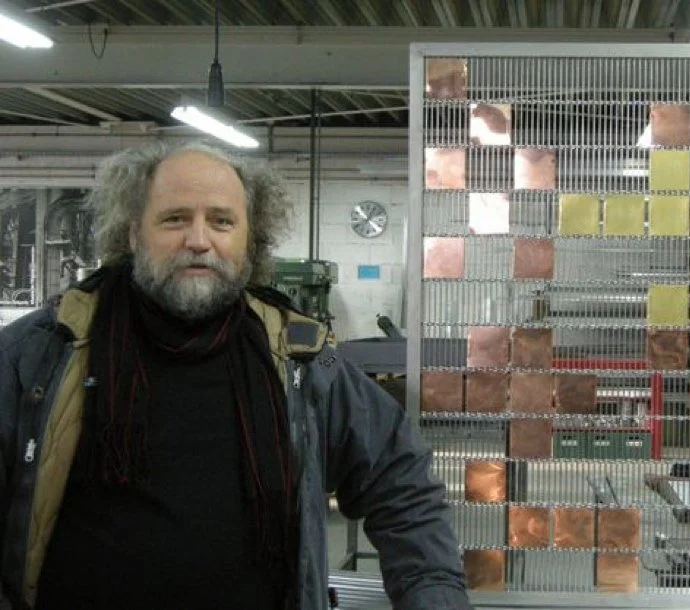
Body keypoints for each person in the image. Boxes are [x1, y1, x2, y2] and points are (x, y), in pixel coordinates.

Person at [0, 140, 471, 610]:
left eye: (221, 221)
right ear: (133, 234)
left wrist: (434, 597)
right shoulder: (42, 353)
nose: (198, 240)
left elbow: (399, 477)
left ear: (250, 238)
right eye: (175, 219)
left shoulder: (299, 358)